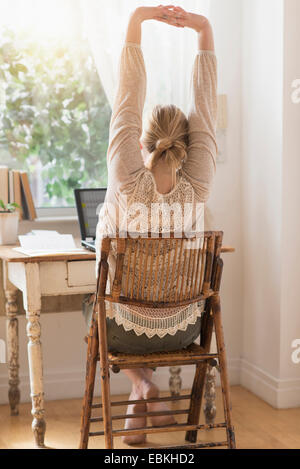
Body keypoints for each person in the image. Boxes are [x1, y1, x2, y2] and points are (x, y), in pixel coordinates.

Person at [91, 4, 217, 445]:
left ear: (143, 141)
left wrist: (138, 17)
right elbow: (205, 105)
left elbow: (127, 94)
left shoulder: (125, 174)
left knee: (107, 305)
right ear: (189, 146)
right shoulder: (198, 183)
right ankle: (143, 400)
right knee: (145, 300)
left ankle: (142, 382)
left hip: (124, 329)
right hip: (184, 325)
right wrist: (203, 29)